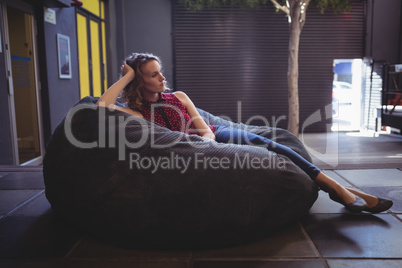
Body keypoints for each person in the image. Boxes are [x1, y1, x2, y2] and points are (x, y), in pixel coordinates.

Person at [97, 52, 393, 214]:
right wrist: (127, 76)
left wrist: (209, 142)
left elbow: (203, 127)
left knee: (269, 145)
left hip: (216, 135)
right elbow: (103, 104)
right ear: (140, 81)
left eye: (161, 71)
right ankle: (345, 192)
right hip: (188, 152)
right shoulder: (138, 112)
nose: (162, 77)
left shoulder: (179, 96)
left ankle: (339, 188)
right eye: (153, 74)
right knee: (263, 159)